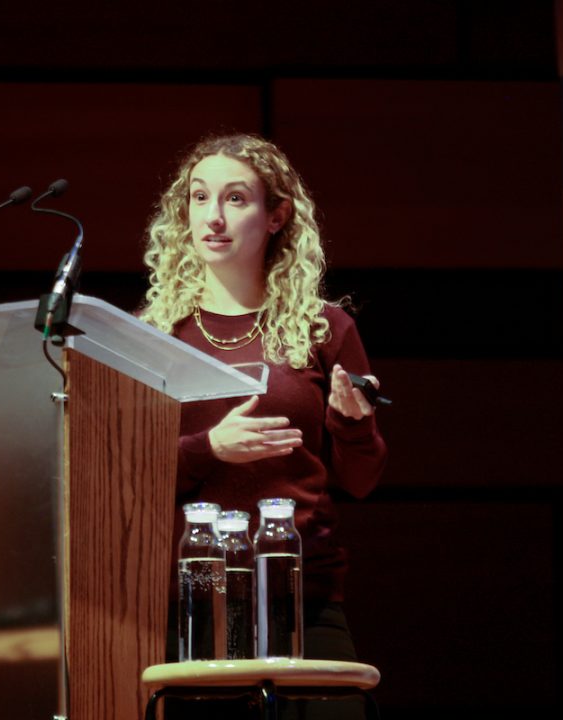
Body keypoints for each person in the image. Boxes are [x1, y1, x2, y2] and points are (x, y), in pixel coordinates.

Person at [140, 133, 387, 717]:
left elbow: (360, 480)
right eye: (199, 199)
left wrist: (352, 427)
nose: (214, 217)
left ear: (277, 216)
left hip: (302, 591)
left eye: (236, 199)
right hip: (192, 597)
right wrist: (208, 451)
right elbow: (125, 478)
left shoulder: (325, 329)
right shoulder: (152, 335)